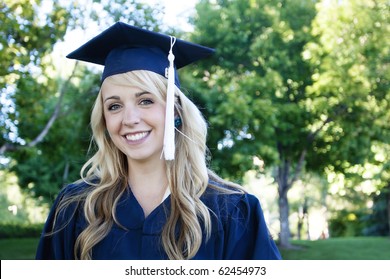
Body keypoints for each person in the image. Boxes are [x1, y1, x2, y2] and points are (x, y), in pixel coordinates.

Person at [35, 22, 281, 260]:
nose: (129, 119)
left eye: (146, 101)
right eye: (114, 106)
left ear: (175, 111)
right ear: (104, 119)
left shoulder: (232, 211)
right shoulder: (76, 207)